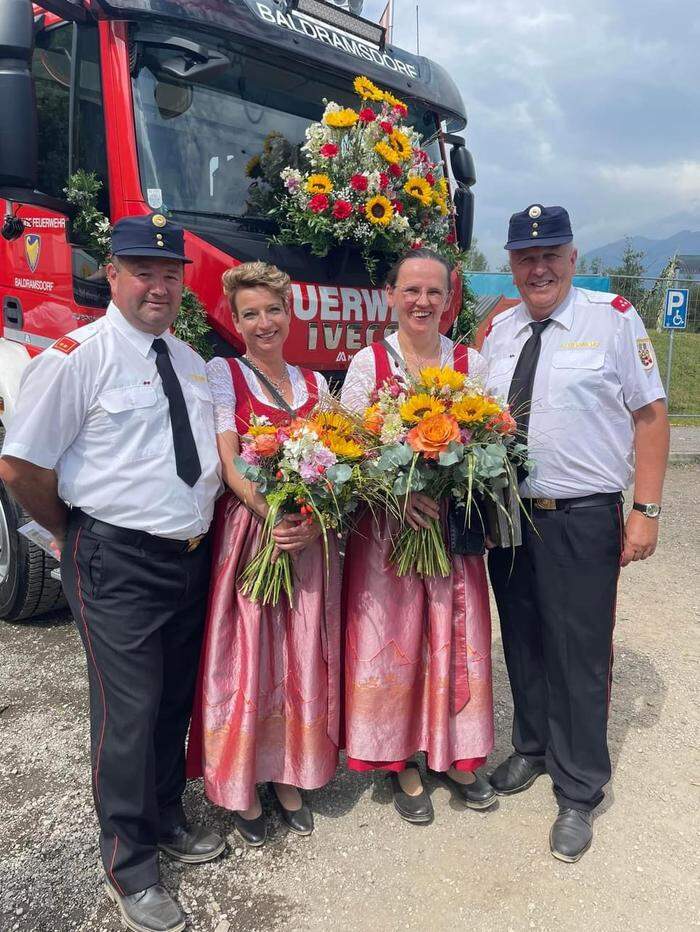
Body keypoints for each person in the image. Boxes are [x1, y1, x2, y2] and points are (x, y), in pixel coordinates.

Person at [0, 215, 224, 932]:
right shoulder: (77, 356)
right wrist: (71, 534)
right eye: (143, 271)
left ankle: (165, 819)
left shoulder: (188, 360)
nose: (158, 285)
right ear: (114, 277)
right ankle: (130, 867)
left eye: (169, 274)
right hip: (115, 560)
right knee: (126, 716)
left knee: (170, 704)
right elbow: (22, 466)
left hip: (188, 559)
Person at [481, 204, 669, 862]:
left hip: (583, 515)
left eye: (550, 255)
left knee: (581, 652)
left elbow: (650, 416)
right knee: (524, 638)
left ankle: (580, 788)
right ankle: (531, 747)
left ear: (572, 259)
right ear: (510, 264)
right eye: (525, 257)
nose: (538, 268)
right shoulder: (498, 332)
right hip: (509, 514)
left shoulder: (612, 320)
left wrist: (645, 509)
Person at [186, 262, 340, 846]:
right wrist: (274, 511)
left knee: (298, 653)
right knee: (248, 655)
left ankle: (288, 774)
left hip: (303, 535)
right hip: (254, 533)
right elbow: (229, 465)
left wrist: (308, 513)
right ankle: (242, 781)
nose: (264, 322)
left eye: (273, 309)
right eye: (250, 313)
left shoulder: (315, 383)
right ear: (236, 320)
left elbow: (334, 464)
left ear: (290, 312)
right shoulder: (224, 373)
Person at [340, 248, 496, 824]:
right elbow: (353, 452)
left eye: (434, 291)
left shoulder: (469, 364)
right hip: (389, 534)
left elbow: (486, 440)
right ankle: (398, 756)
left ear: (449, 297)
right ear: (390, 295)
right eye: (411, 290)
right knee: (397, 639)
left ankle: (454, 754)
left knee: (453, 638)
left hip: (450, 530)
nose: (423, 302)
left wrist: (457, 471)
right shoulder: (367, 365)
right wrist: (399, 492)